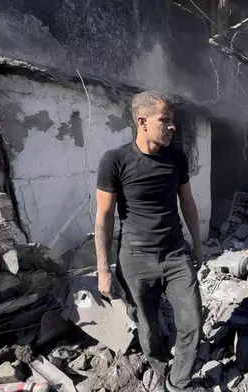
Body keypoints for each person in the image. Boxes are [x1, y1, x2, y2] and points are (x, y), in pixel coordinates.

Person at [95, 91, 204, 392]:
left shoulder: (177, 157)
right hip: (135, 258)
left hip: (175, 253)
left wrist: (197, 244)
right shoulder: (115, 161)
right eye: (165, 120)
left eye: (172, 121)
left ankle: (177, 382)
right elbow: (103, 216)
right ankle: (158, 366)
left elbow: (188, 203)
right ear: (142, 122)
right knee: (148, 325)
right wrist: (103, 270)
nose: (172, 127)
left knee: (193, 321)